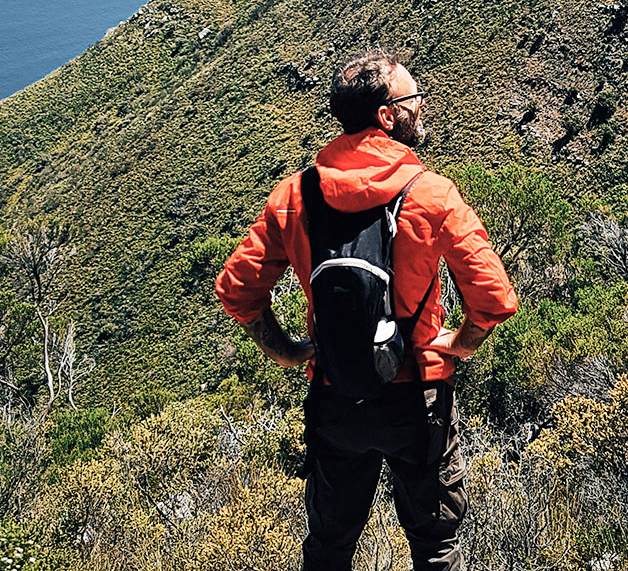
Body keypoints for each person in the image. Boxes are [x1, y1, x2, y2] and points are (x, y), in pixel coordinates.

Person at [215, 49, 518, 571]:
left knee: (330, 548)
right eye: (414, 97)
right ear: (387, 116)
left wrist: (285, 350)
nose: (422, 105)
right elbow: (493, 299)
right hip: (417, 398)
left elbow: (237, 290)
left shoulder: (296, 196)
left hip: (336, 397)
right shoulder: (430, 193)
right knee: (435, 548)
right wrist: (459, 343)